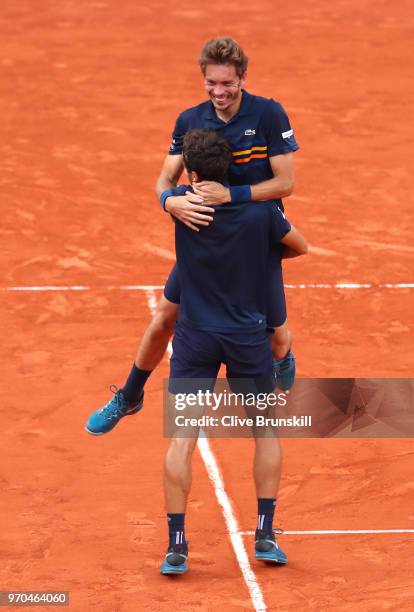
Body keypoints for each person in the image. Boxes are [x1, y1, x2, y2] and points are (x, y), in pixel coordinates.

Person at [85, 36, 299, 436]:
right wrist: (169, 201)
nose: (219, 92)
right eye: (211, 83)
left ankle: (284, 356)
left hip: (257, 242)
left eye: (227, 84)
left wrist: (231, 195)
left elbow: (285, 182)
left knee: (276, 339)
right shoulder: (190, 120)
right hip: (206, 244)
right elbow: (164, 178)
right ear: (204, 79)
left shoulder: (269, 114)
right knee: (164, 318)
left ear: (243, 79)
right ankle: (130, 395)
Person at [159, 129, 308, 574]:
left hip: (195, 336)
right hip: (246, 337)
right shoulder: (261, 214)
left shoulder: (181, 207)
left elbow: (165, 190)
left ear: (192, 171)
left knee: (181, 439)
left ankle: (177, 545)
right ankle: (264, 533)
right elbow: (300, 246)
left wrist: (173, 194)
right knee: (264, 431)